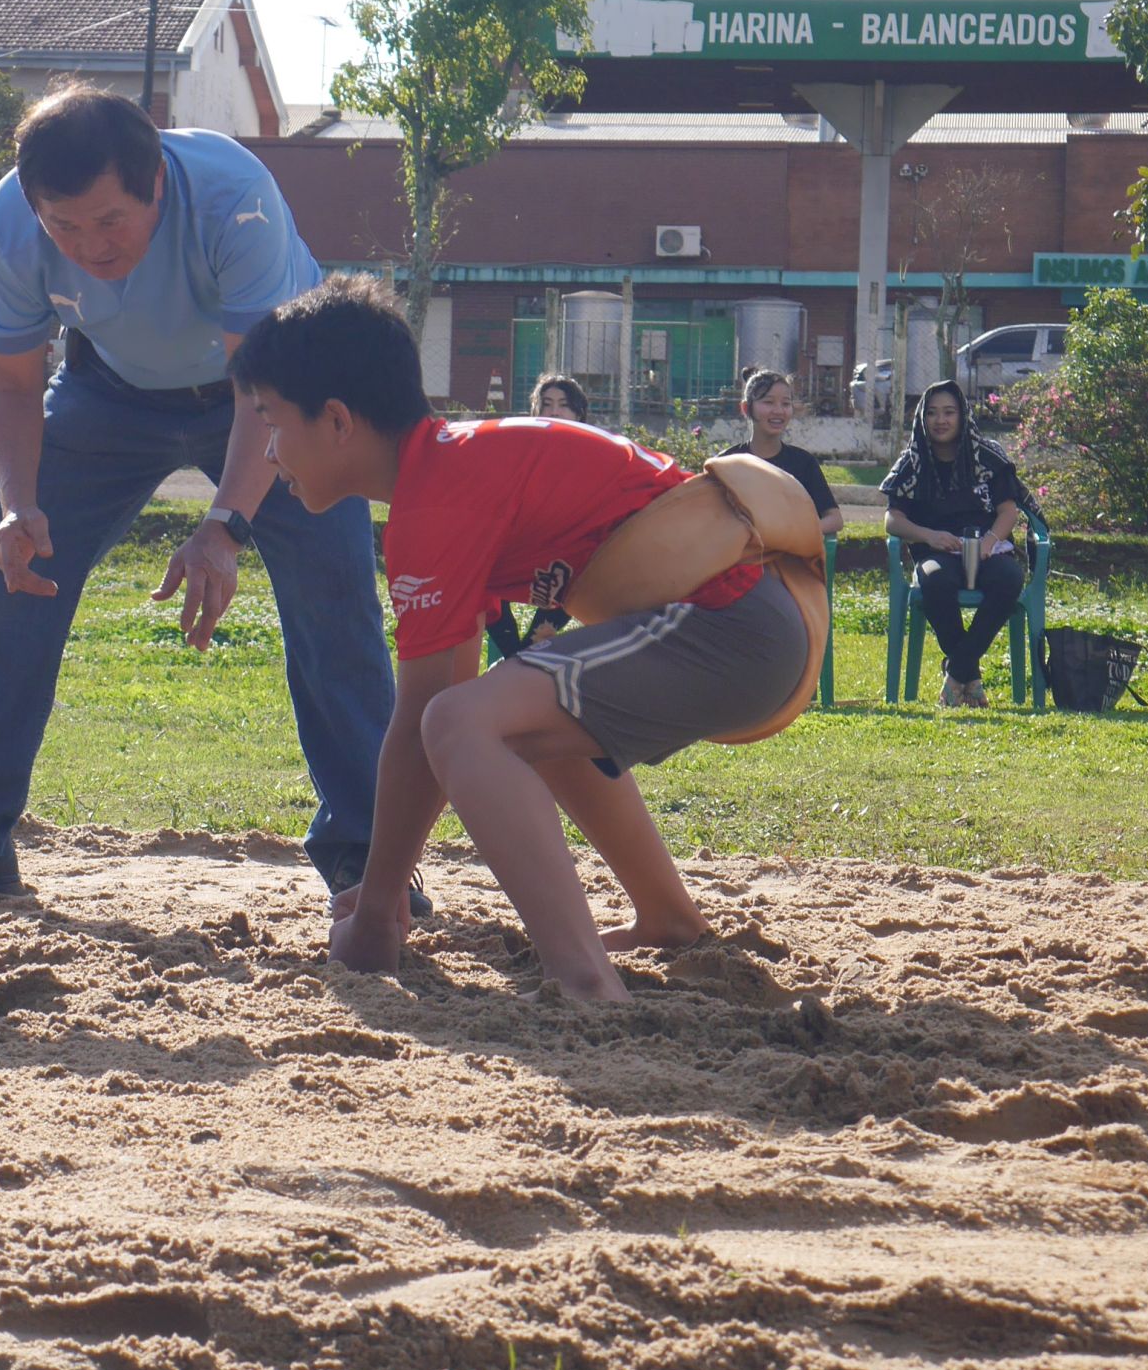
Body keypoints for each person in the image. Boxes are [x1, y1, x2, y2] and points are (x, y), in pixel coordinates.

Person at [0, 83, 396, 907]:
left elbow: (260, 390)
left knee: (336, 598)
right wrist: (16, 502)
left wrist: (224, 526)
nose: (88, 247)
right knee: (4, 570)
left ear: (156, 184)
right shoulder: (9, 220)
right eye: (64, 226)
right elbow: (8, 381)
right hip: (109, 393)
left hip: (275, 392)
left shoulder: (230, 195)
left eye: (110, 221)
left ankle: (370, 859)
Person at [229, 277, 815, 1001]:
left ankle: (586, 983)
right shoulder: (444, 470)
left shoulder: (437, 496)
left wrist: (379, 909)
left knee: (466, 719)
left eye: (271, 422)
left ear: (340, 422)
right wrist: (382, 897)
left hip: (733, 623)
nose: (269, 453)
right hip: (744, 625)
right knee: (505, 712)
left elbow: (424, 724)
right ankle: (667, 918)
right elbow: (445, 712)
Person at [881, 379, 1029, 708]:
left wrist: (990, 541)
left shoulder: (988, 457)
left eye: (949, 412)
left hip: (987, 550)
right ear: (922, 418)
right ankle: (969, 675)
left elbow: (1008, 512)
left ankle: (957, 672)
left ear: (962, 416)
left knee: (1010, 579)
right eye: (932, 413)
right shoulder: (911, 462)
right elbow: (893, 520)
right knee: (935, 581)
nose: (940, 420)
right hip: (937, 554)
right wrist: (930, 536)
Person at [486, 374, 595, 659]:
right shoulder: (521, 446)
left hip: (564, 547)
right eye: (547, 404)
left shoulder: (594, 451)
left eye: (563, 405)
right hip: (520, 542)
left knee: (575, 567)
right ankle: (513, 653)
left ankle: (527, 649)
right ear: (536, 411)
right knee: (480, 567)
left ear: (579, 413)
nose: (555, 412)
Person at [714, 369, 845, 538]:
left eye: (785, 403)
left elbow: (834, 519)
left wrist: (791, 533)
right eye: (768, 402)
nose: (779, 411)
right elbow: (708, 519)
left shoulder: (803, 463)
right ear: (746, 408)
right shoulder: (726, 463)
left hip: (788, 558)